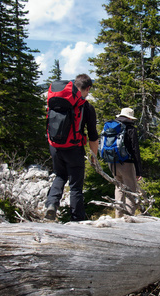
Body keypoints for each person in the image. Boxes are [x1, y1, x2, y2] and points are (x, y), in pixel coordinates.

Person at [45, 74, 99, 221]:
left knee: (60, 175)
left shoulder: (57, 102)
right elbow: (93, 137)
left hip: (55, 146)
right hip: (74, 149)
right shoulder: (86, 106)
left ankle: (51, 204)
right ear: (88, 88)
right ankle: (77, 219)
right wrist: (94, 158)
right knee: (75, 187)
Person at [109, 107, 143, 218]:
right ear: (130, 117)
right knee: (130, 190)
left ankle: (118, 215)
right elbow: (135, 150)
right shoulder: (130, 129)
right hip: (126, 164)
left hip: (112, 162)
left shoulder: (112, 126)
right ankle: (128, 218)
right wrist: (138, 170)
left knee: (118, 188)